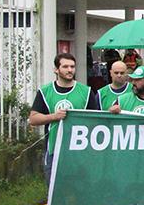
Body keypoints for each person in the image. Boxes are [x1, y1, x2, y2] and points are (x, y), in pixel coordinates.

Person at [29, 53, 100, 183]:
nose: (70, 70)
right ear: (56, 69)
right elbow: (33, 119)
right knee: (54, 190)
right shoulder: (45, 91)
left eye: (72, 66)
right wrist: (54, 116)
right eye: (65, 66)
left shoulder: (86, 92)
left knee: (79, 190)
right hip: (54, 150)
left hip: (79, 152)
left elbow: (96, 120)